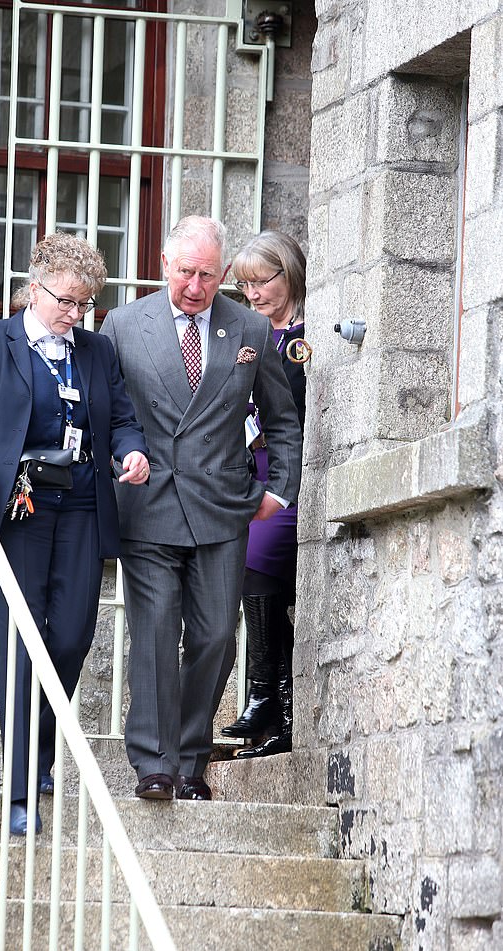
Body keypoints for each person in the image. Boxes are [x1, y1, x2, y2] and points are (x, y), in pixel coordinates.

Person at [0, 232, 149, 835]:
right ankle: (21, 784)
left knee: (74, 635)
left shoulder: (96, 351)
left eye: (86, 304)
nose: (76, 314)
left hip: (83, 503)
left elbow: (124, 419)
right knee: (20, 642)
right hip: (22, 507)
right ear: (34, 289)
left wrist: (130, 454)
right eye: (67, 301)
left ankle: (42, 748)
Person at [100, 215, 302, 801]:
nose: (195, 286)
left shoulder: (248, 328)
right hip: (149, 502)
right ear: (165, 265)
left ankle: (192, 755)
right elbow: (107, 412)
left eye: (208, 275)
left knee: (216, 637)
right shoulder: (123, 324)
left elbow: (281, 419)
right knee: (157, 632)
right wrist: (115, 466)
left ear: (222, 275)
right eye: (186, 272)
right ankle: (156, 763)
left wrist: (279, 488)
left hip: (222, 506)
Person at [221, 230, 306, 758]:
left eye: (262, 282)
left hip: (287, 474)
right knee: (253, 578)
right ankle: (277, 710)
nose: (253, 295)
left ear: (290, 273)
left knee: (257, 562)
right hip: (247, 472)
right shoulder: (248, 332)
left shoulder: (302, 335)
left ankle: (264, 699)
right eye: (245, 286)